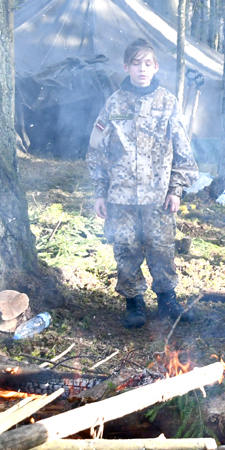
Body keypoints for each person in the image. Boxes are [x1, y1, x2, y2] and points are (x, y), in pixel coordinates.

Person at [87, 38, 199, 329]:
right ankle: (133, 302)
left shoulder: (167, 102)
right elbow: (96, 149)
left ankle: (167, 299)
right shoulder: (114, 103)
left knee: (162, 248)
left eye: (147, 63)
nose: (141, 69)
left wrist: (176, 189)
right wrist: (99, 192)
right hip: (120, 197)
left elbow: (183, 150)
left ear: (155, 67)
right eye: (136, 63)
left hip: (158, 195)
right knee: (125, 248)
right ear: (126, 67)